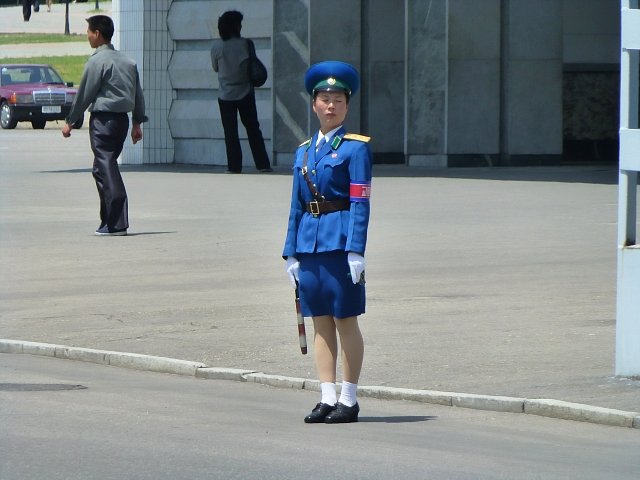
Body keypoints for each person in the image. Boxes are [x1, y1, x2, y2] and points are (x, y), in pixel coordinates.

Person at [283, 61, 372, 424]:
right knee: (319, 321)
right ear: (314, 104)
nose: (330, 105)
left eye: (337, 99)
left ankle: (348, 400)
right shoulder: (303, 152)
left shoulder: (355, 149)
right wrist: (290, 252)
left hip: (339, 244)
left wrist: (356, 248)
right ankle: (326, 396)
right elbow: (295, 205)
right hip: (309, 245)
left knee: (345, 320)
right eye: (324, 98)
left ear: (347, 105)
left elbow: (360, 201)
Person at [62, 15, 147, 236]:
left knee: (106, 165)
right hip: (122, 121)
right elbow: (138, 94)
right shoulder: (128, 62)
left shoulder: (96, 61)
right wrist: (137, 122)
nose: (87, 35)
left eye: (89, 31)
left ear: (97, 34)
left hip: (103, 121)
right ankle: (107, 221)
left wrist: (70, 122)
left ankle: (118, 222)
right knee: (100, 168)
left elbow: (84, 94)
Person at [210, 10, 272, 174]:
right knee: (253, 128)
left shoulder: (217, 46)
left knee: (230, 131)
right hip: (246, 92)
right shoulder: (246, 44)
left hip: (225, 94)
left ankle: (234, 166)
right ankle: (263, 164)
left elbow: (215, 68)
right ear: (236, 26)